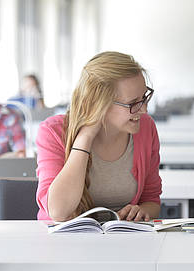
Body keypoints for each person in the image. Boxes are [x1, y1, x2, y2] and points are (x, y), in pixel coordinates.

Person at [35, 51, 161, 222]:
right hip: (64, 243)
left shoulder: (146, 128)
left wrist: (141, 211)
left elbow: (151, 200)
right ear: (99, 103)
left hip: (125, 240)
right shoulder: (53, 132)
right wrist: (86, 136)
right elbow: (58, 211)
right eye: (133, 103)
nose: (144, 110)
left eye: (144, 98)